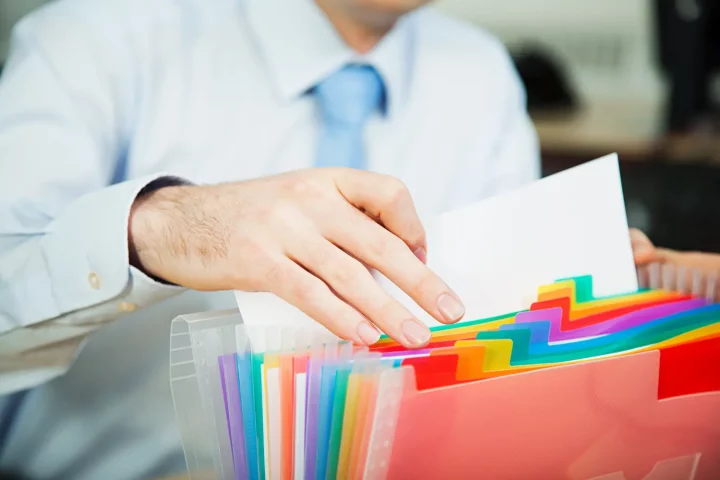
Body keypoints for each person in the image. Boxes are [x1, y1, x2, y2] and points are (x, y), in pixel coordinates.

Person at [0, 0, 539, 478]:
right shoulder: (89, 37)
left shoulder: (485, 75)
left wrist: (599, 314)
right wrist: (172, 225)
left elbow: (490, 334)